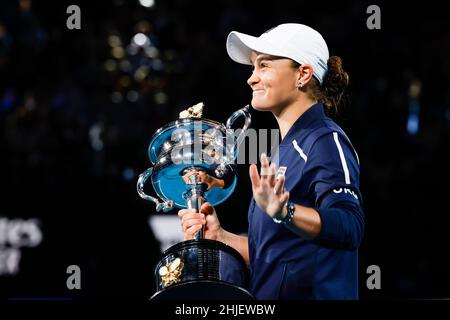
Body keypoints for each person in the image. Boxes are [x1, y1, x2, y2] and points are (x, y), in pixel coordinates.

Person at [178, 23, 364, 300]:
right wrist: (222, 238)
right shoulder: (282, 151)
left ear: (302, 74)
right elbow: (277, 257)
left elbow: (350, 226)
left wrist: (285, 211)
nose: (251, 79)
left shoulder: (325, 140)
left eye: (264, 66)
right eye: (253, 68)